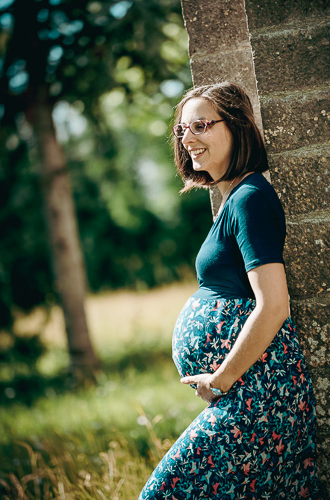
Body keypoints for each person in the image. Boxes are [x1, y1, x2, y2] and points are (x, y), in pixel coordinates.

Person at [139, 82, 320, 499]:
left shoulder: (250, 199)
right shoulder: (235, 199)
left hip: (258, 396)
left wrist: (221, 381)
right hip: (249, 394)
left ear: (236, 127)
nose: (188, 139)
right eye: (182, 130)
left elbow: (273, 305)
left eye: (201, 125)